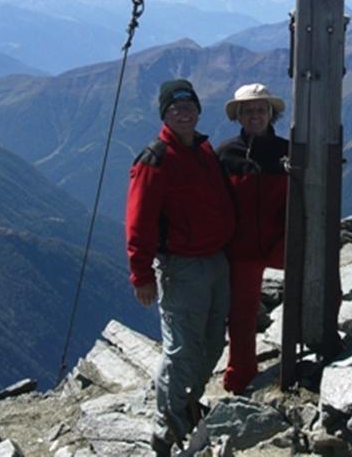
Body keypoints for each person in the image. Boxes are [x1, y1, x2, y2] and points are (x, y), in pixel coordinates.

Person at [125, 79, 235, 456]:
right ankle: (165, 427)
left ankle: (188, 404)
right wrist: (140, 275)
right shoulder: (155, 159)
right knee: (182, 349)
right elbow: (138, 221)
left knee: (212, 340)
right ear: (164, 114)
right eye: (175, 107)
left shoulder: (202, 149)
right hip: (182, 268)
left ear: (198, 110)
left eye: (189, 105)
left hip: (216, 261)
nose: (184, 111)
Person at [217, 82, 289, 395]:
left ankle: (300, 361)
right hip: (241, 251)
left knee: (304, 297)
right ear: (239, 116)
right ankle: (240, 374)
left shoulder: (289, 152)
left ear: (271, 114)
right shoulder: (225, 155)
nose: (255, 114)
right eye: (248, 110)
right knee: (241, 316)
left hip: (283, 246)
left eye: (261, 109)